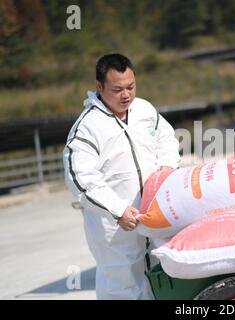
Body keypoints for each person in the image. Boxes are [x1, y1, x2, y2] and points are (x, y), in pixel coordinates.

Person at [63, 53, 180, 299]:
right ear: (99, 86)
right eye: (117, 89)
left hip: (154, 214)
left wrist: (167, 167)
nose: (126, 95)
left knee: (162, 278)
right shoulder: (88, 128)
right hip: (116, 227)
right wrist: (117, 210)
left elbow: (166, 138)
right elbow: (80, 178)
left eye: (131, 87)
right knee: (125, 288)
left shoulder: (144, 109)